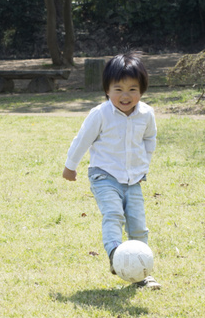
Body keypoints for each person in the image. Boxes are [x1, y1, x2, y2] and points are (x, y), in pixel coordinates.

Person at [62, 52, 160, 289]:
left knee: (138, 225)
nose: (125, 96)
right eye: (118, 89)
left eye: (132, 89)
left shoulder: (146, 114)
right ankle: (116, 256)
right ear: (107, 89)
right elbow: (82, 140)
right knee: (113, 214)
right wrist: (70, 167)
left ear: (142, 90)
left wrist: (143, 164)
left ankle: (140, 273)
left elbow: (150, 139)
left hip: (133, 179)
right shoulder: (101, 114)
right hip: (103, 175)